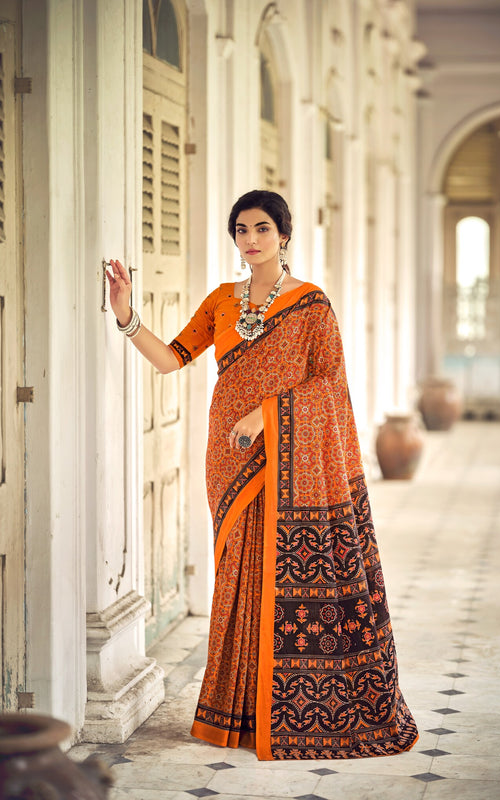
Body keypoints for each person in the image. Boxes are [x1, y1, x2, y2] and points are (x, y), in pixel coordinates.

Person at [107, 189, 418, 761]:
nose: (250, 240)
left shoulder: (311, 304)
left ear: (284, 235)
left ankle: (286, 711)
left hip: (288, 457)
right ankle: (236, 713)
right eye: (241, 231)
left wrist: (266, 414)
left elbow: (330, 386)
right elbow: (174, 357)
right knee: (238, 575)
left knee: (281, 572)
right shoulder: (222, 303)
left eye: (261, 229)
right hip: (229, 458)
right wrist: (127, 314)